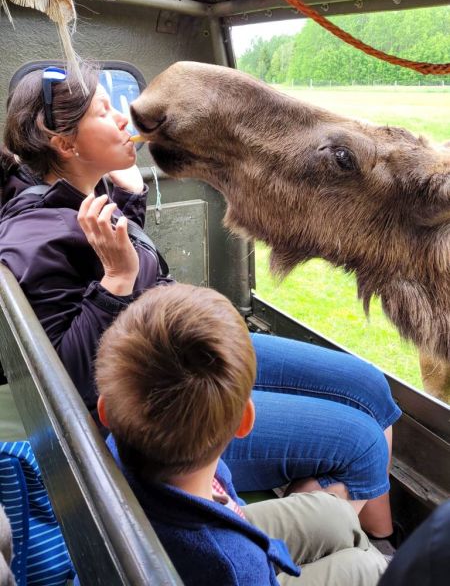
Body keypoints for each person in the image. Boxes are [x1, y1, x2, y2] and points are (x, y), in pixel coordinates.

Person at [0, 61, 401, 542]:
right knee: (361, 442)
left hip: (182, 342)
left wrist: (129, 204)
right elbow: (62, 378)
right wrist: (118, 281)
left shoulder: (80, 195)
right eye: (104, 113)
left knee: (370, 386)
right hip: (162, 401)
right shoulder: (31, 239)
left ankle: (320, 500)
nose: (125, 120)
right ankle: (376, 543)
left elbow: (97, 261)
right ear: (65, 144)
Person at [96, 282, 387, 586]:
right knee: (368, 568)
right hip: (212, 553)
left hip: (175, 520)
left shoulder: (113, 446)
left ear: (105, 411)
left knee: (336, 515)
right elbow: (237, 566)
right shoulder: (234, 565)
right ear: (244, 422)